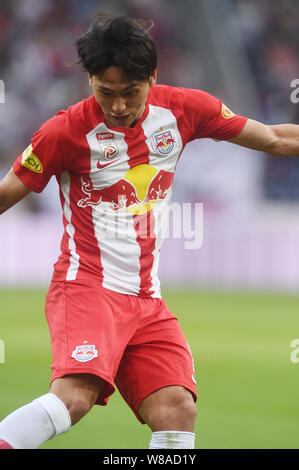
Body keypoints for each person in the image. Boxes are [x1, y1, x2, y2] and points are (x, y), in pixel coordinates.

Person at [0, 14, 298, 450]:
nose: (118, 106)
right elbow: (7, 193)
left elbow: (273, 137)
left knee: (177, 407)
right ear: (90, 81)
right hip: (88, 288)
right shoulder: (64, 131)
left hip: (145, 298)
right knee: (74, 399)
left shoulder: (184, 109)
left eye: (130, 93)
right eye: (106, 92)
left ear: (152, 76)